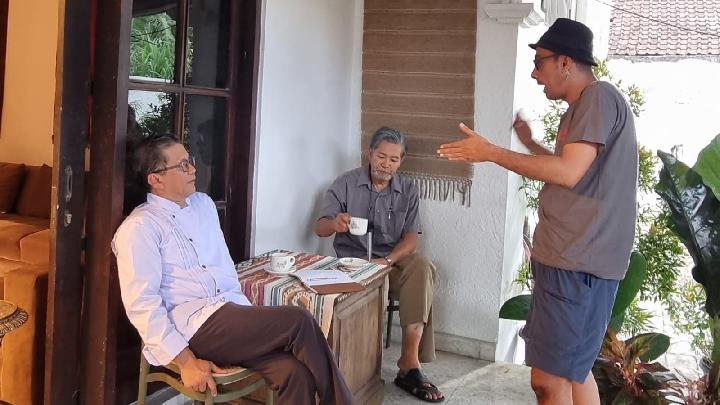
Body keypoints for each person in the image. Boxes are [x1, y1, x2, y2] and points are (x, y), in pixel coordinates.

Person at [438, 18, 638, 405]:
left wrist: (491, 152)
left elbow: (568, 172)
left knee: (548, 381)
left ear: (565, 62)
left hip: (579, 267)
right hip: (571, 262)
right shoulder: (582, 107)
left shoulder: (598, 98)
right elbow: (576, 173)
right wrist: (530, 144)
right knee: (574, 374)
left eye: (539, 61)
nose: (534, 73)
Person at [112, 135, 352, 405]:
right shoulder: (140, 228)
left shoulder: (203, 205)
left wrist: (246, 315)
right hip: (193, 328)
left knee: (294, 373)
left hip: (230, 316)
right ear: (156, 179)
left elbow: (223, 268)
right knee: (299, 320)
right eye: (182, 165)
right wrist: (186, 360)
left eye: (190, 161)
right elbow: (142, 304)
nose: (193, 169)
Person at [316, 127, 444, 403]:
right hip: (352, 265)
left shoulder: (407, 189)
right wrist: (335, 223)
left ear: (401, 161)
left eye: (394, 159)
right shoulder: (345, 183)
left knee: (423, 267)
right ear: (370, 153)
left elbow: (411, 238)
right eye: (381, 156)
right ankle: (352, 367)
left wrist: (385, 262)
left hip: (389, 263)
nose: (386, 164)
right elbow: (320, 228)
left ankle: (409, 363)